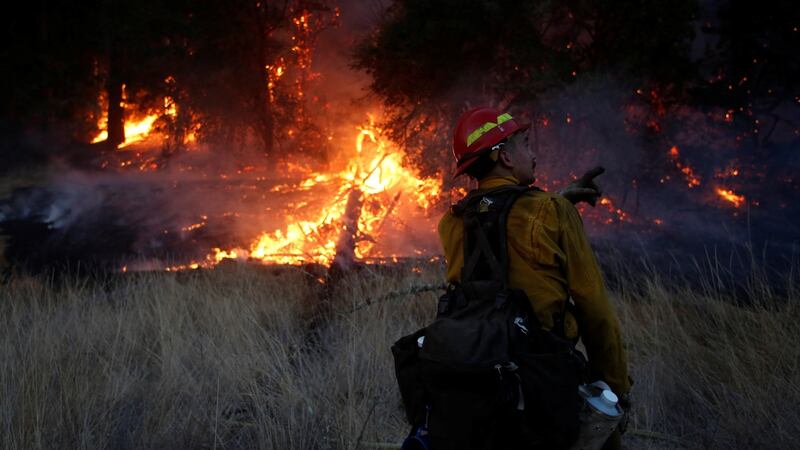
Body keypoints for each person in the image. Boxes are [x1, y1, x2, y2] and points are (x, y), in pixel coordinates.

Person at [438, 106, 631, 449]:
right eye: (525, 143)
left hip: (477, 383)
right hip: (547, 384)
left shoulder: (452, 223)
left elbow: (499, 232)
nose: (534, 153)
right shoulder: (552, 213)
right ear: (506, 158)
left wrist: (559, 202)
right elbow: (595, 311)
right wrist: (615, 389)